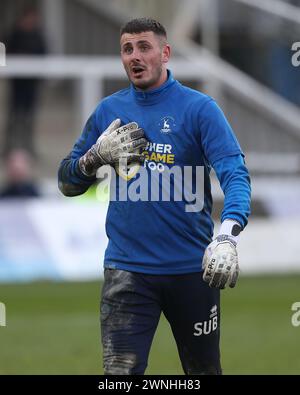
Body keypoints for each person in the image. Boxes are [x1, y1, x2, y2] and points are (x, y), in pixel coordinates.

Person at [58, 18, 251, 375]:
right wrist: (93, 159)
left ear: (164, 53)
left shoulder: (200, 109)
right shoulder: (108, 112)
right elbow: (67, 182)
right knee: (118, 376)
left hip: (193, 271)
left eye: (144, 47)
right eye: (127, 49)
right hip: (127, 272)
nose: (135, 56)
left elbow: (235, 175)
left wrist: (227, 234)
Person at [4, 7, 46, 156]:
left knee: (29, 117)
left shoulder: (38, 35)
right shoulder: (15, 34)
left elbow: (44, 54)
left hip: (31, 84)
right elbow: (7, 53)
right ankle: (9, 147)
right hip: (18, 83)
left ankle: (28, 147)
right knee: (15, 116)